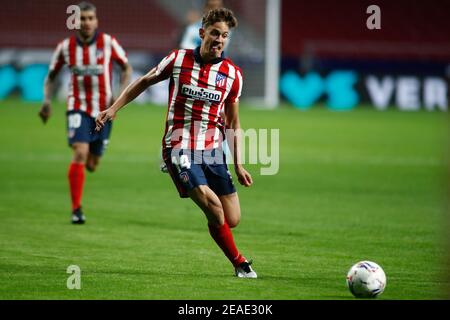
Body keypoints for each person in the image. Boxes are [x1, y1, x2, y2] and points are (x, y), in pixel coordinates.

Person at [95, 8, 257, 278]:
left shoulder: (233, 75)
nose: (219, 39)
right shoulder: (178, 60)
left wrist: (239, 164)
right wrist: (113, 109)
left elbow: (233, 123)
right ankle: (240, 264)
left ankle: (193, 188)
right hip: (178, 145)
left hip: (213, 150)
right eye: (215, 33)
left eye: (225, 36)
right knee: (214, 208)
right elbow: (145, 81)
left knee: (231, 219)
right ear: (202, 33)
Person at [39, 1, 132, 224]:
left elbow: (126, 68)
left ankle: (90, 161)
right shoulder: (65, 47)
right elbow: (51, 76)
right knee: (80, 152)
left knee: (92, 164)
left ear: (96, 21)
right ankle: (76, 209)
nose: (87, 22)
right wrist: (47, 101)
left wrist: (119, 97)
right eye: (82, 19)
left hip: (104, 111)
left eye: (90, 18)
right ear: (75, 21)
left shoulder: (108, 43)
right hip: (77, 107)